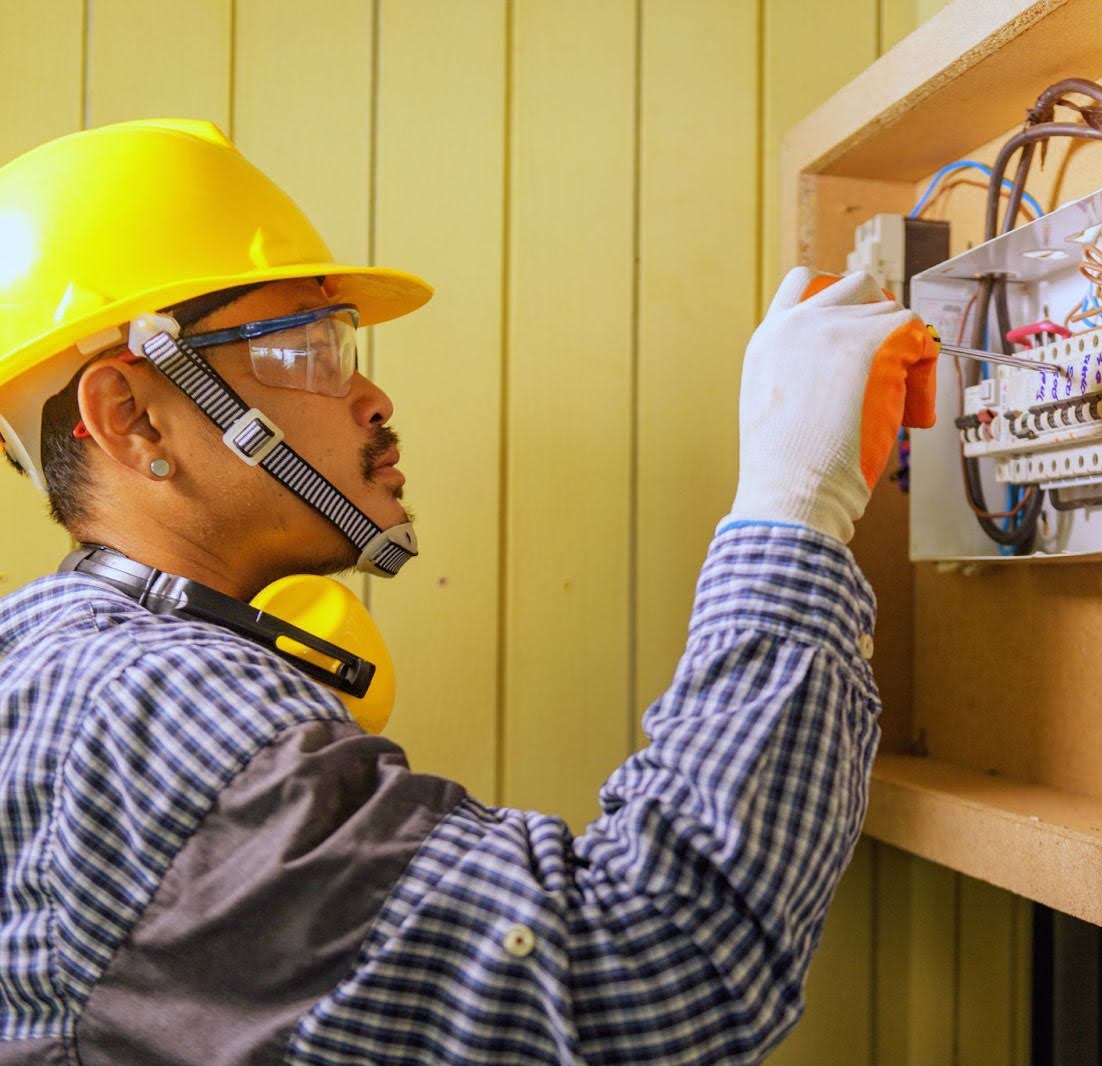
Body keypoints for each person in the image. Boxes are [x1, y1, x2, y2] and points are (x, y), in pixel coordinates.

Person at [0, 119, 935, 1063]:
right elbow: (643, 965)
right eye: (310, 347)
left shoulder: (49, 668)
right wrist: (791, 506)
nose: (373, 401)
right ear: (131, 418)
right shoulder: (154, 711)